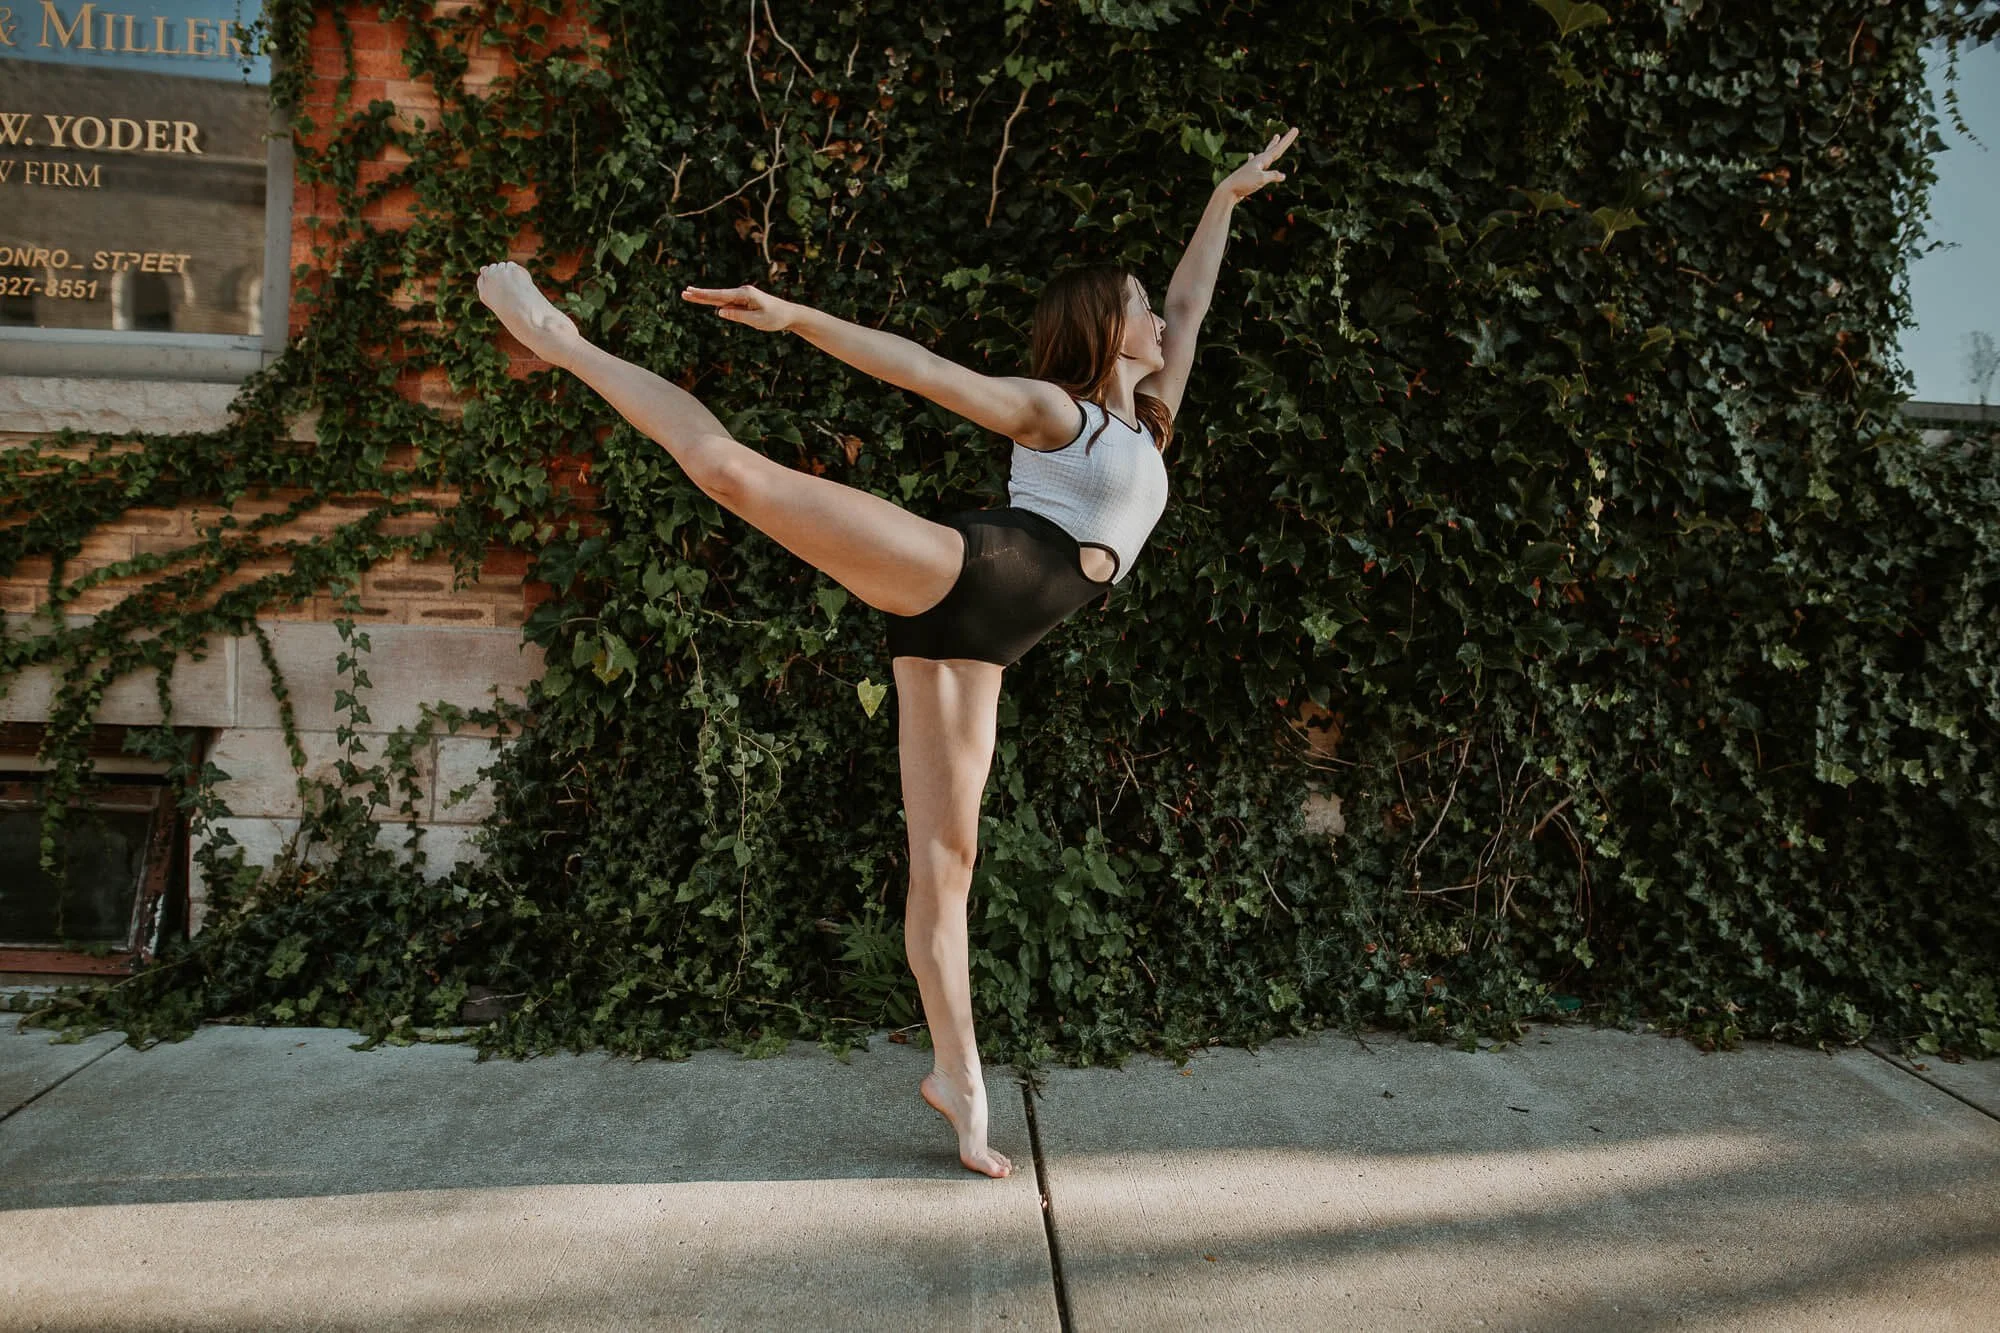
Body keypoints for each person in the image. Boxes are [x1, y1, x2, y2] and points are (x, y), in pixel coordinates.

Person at [475, 126, 1298, 1178]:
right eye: (1134, 302)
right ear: (1104, 325)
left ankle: (958, 1081)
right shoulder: (1057, 412)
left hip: (985, 642)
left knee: (945, 865)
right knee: (729, 471)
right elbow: (921, 370)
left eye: (1149, 303)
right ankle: (561, 340)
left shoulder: (1149, 415)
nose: (1153, 315)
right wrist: (795, 317)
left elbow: (1192, 303)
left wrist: (1223, 198)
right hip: (971, 570)